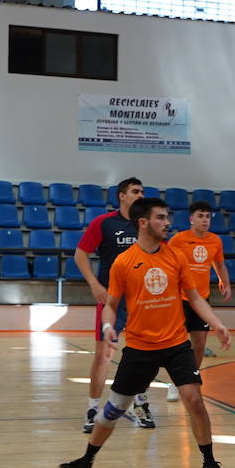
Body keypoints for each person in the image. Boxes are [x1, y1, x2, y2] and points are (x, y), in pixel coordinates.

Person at [58, 197, 233, 468]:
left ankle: (209, 461)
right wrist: (107, 326)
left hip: (176, 344)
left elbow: (195, 297)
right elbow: (112, 304)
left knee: (194, 399)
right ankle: (85, 460)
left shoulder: (175, 256)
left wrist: (217, 324)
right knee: (114, 410)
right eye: (161, 218)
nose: (167, 223)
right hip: (140, 347)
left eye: (167, 217)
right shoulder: (123, 263)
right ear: (143, 222)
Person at [75, 177, 151, 432]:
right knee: (104, 354)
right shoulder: (104, 223)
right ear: (122, 195)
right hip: (112, 301)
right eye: (135, 191)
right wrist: (95, 285)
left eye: (142, 191)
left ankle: (141, 405)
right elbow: (80, 254)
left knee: (143, 356)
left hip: (142, 301)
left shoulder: (146, 224)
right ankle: (92, 409)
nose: (140, 195)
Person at [166, 200, 231, 403]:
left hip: (201, 299)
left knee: (200, 343)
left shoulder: (215, 241)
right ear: (191, 219)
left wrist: (225, 282)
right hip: (180, 299)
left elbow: (219, 264)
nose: (204, 220)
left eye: (207, 216)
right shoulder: (178, 240)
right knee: (177, 343)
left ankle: (190, 378)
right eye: (200, 216)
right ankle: (174, 382)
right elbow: (166, 263)